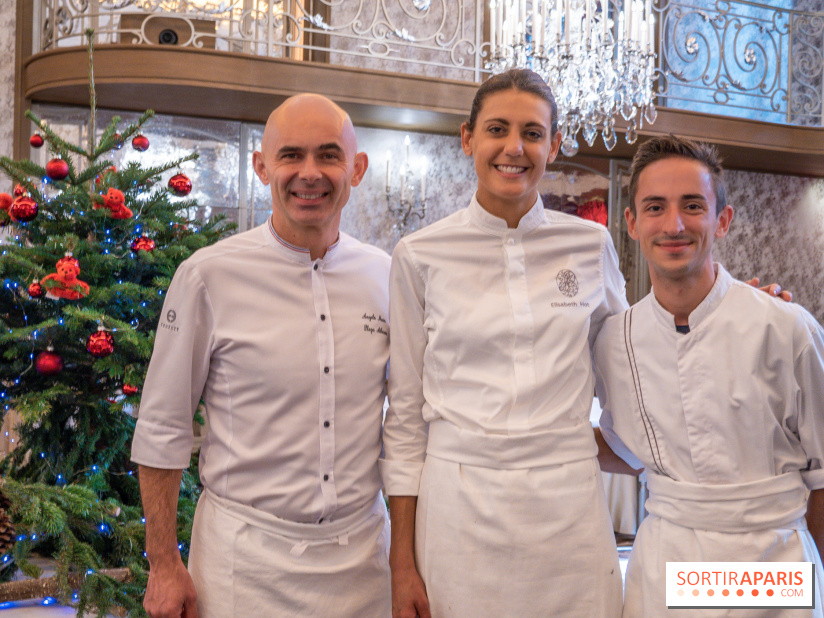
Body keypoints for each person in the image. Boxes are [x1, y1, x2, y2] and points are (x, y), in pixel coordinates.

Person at [131, 94, 392, 618]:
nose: (310, 174)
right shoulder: (207, 276)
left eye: (329, 156)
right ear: (262, 166)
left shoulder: (386, 277)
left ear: (357, 169)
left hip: (365, 560)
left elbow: (408, 425)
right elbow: (163, 425)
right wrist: (163, 561)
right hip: (244, 565)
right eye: (291, 155)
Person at [381, 68, 627, 617]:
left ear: (554, 146)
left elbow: (635, 362)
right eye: (497, 129)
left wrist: (727, 310)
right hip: (460, 508)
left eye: (533, 133)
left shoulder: (591, 245)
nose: (514, 148)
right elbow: (403, 418)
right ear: (468, 138)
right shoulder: (420, 255)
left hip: (569, 509)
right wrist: (401, 562)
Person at [593, 135, 824, 617]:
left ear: (722, 219)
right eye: (655, 207)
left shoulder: (785, 326)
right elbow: (631, 449)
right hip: (664, 561)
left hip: (769, 563)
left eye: (692, 205)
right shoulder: (615, 341)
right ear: (631, 222)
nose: (673, 224)